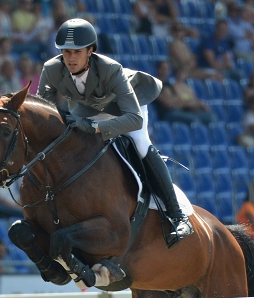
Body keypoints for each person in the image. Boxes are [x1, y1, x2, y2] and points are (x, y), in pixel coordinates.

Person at [37, 18, 192, 247]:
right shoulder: (51, 69)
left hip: (126, 107)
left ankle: (177, 214)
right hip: (87, 109)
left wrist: (97, 128)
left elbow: (134, 118)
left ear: (90, 51)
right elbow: (45, 111)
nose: (70, 58)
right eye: (65, 52)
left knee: (140, 144)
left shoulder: (111, 70)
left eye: (77, 52)